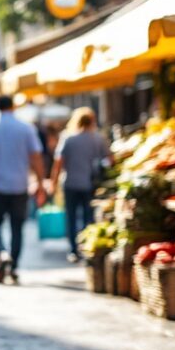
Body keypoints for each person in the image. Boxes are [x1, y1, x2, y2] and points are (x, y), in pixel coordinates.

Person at [0, 95, 47, 285]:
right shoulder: (26, 128)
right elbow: (36, 157)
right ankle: (13, 266)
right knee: (17, 228)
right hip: (20, 186)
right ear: (13, 107)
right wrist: (40, 182)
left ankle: (1, 252)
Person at [50, 107, 109, 263]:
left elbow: (58, 163)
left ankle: (73, 250)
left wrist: (53, 182)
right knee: (88, 216)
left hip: (70, 183)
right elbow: (110, 159)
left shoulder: (68, 138)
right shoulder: (98, 138)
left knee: (71, 216)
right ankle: (87, 246)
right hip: (90, 183)